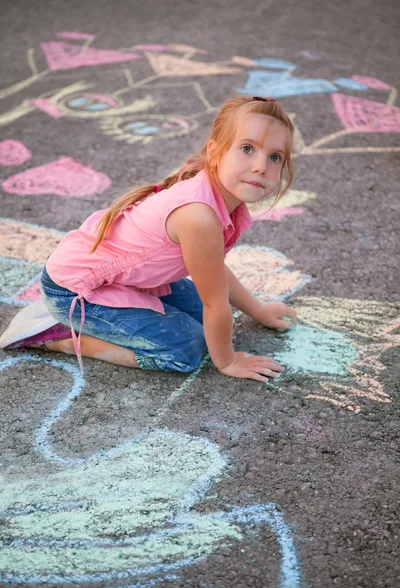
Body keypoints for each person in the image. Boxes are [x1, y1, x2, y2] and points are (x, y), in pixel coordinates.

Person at [0, 94, 297, 382]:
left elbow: (213, 270)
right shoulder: (198, 215)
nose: (261, 166)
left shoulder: (220, 198)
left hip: (115, 277)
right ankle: (60, 334)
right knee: (185, 348)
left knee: (209, 324)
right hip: (74, 289)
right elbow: (215, 303)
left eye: (274, 157)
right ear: (215, 152)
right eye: (247, 149)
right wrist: (228, 361)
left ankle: (88, 319)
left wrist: (260, 311)